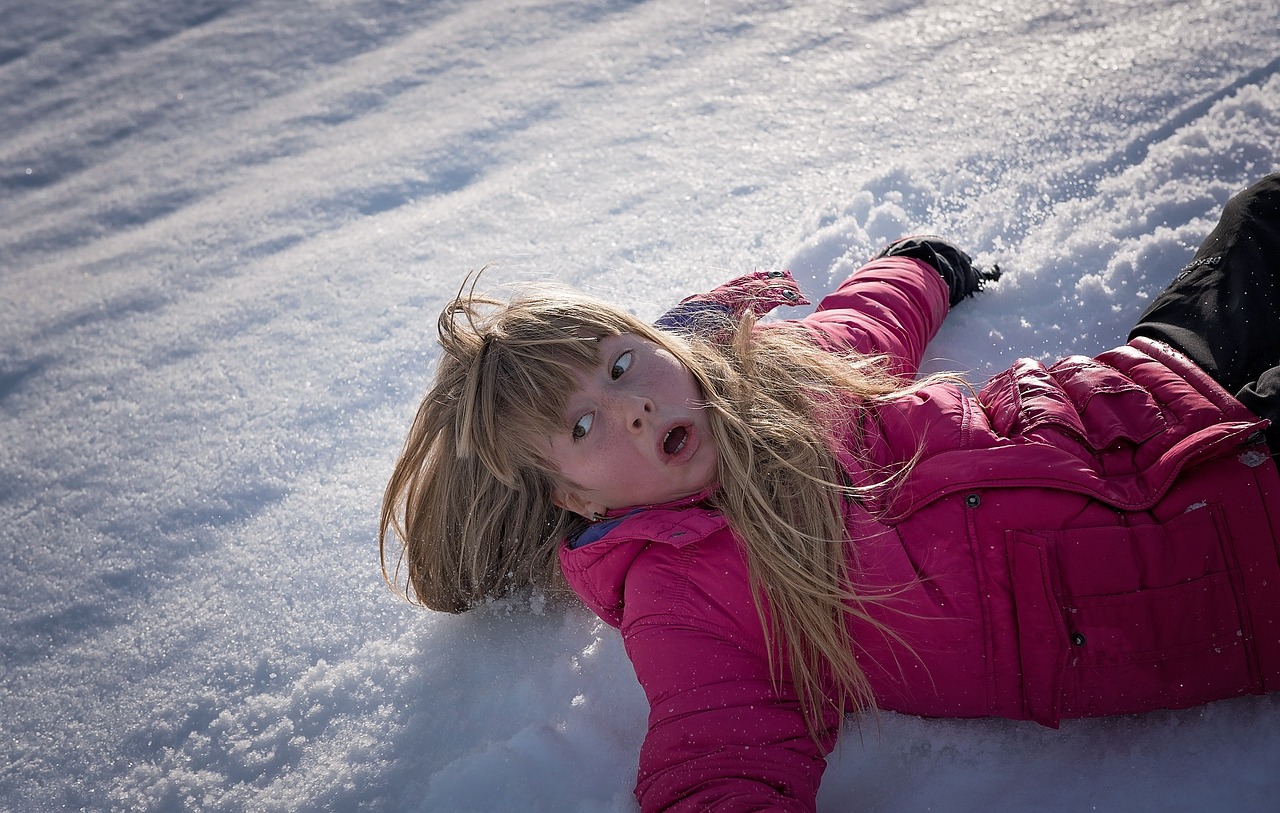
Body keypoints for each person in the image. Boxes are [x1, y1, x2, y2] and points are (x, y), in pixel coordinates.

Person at [380, 174, 1280, 812]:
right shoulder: (683, 592)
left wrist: (921, 262)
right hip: (1221, 557)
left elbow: (862, 317)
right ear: (574, 500)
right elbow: (716, 753)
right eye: (582, 427)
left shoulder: (777, 379)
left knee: (1265, 216)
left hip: (1130, 394)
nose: (634, 403)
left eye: (623, 364)